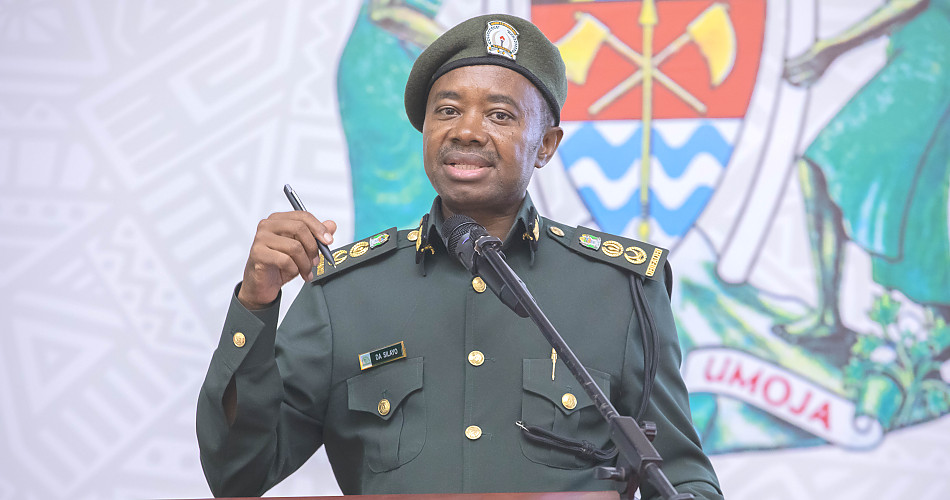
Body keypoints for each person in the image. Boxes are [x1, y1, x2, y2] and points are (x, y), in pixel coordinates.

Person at [197, 13, 723, 500]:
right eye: (447, 110)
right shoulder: (344, 293)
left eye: (499, 115)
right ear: (425, 130)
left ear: (546, 145)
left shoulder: (622, 290)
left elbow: (685, 480)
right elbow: (238, 475)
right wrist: (255, 304)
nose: (467, 131)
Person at [777, 0, 950, 365]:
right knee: (914, 197)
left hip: (932, 64)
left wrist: (833, 47)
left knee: (829, 164)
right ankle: (828, 317)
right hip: (918, 57)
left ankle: (832, 317)